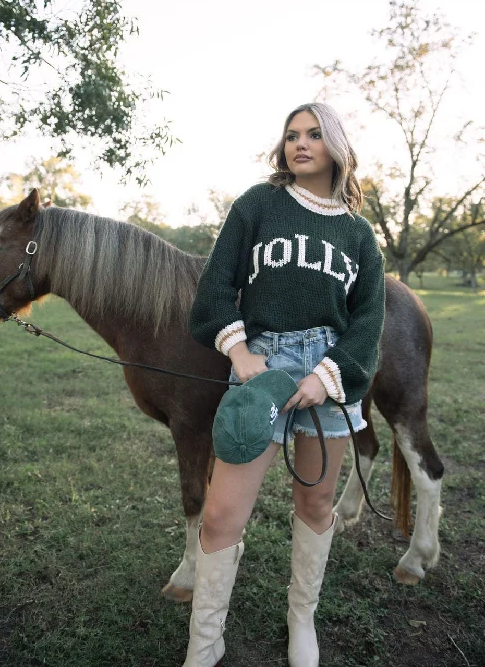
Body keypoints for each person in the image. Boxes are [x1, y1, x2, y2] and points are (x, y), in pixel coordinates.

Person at [183, 102, 385, 667]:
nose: (300, 143)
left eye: (315, 134)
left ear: (336, 146)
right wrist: (242, 354)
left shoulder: (358, 235)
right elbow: (214, 290)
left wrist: (328, 376)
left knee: (317, 505)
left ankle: (302, 619)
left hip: (330, 373)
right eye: (292, 134)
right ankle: (204, 643)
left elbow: (369, 319)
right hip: (262, 367)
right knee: (223, 513)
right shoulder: (258, 205)